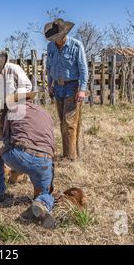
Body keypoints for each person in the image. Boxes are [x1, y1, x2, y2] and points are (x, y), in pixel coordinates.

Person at [0, 92, 56, 229]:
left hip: (22, 155)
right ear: (30, 100)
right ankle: (42, 203)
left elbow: (5, 139)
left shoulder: (13, 110)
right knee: (45, 193)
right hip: (46, 160)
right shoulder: (45, 113)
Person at [45, 19, 89, 161]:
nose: (56, 40)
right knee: (62, 122)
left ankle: (71, 157)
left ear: (64, 34)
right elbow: (49, 67)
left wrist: (82, 89)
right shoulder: (50, 47)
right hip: (58, 87)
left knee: (69, 122)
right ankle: (67, 153)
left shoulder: (76, 46)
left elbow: (83, 69)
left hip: (72, 86)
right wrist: (50, 84)